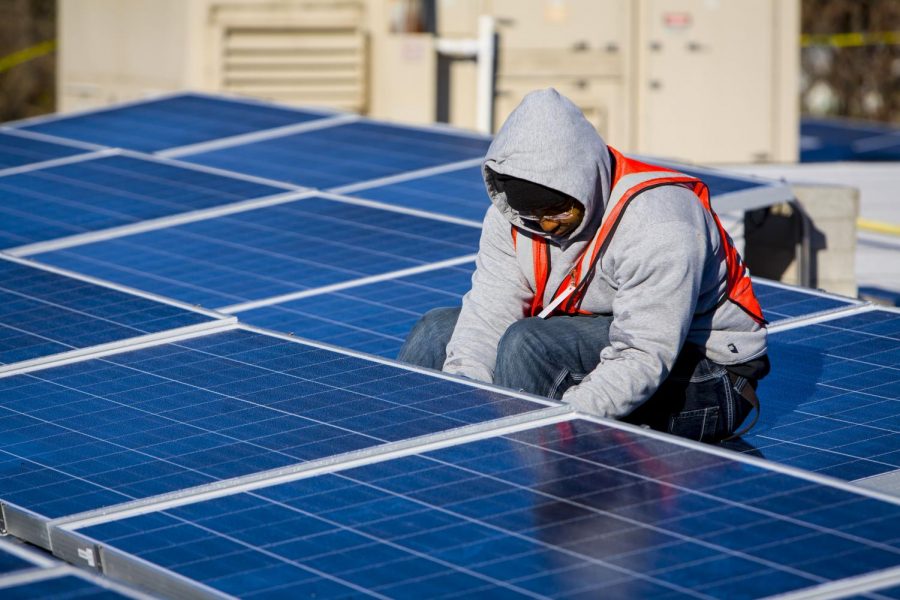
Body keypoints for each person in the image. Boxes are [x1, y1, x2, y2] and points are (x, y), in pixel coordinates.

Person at [398, 89, 769, 443]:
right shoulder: (510, 220)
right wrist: (466, 404)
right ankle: (404, 465)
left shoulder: (660, 225)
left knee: (527, 344)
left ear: (585, 181)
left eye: (558, 209)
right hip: (603, 335)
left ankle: (514, 485)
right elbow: (488, 313)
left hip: (705, 374)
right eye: (531, 213)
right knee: (437, 330)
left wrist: (561, 419)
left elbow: (642, 355)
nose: (545, 225)